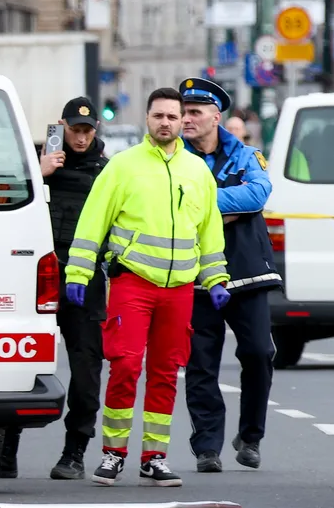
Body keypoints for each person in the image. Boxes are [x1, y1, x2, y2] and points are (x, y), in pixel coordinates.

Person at [66, 87, 230, 487]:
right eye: (159, 116)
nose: (166, 123)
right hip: (133, 282)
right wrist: (78, 272)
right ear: (148, 119)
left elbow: (209, 232)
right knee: (123, 366)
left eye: (173, 117)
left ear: (181, 122)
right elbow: (93, 222)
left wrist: (216, 277)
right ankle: (112, 453)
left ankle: (154, 456)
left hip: (179, 290)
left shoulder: (197, 172)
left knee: (165, 373)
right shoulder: (123, 166)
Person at [0, 98, 109, 480]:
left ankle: (74, 452)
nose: (80, 137)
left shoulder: (106, 173)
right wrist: (36, 173)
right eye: (74, 129)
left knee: (87, 369)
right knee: (18, 364)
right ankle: (4, 453)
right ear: (61, 125)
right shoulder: (33, 164)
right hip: (37, 275)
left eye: (87, 131)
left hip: (83, 280)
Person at [179, 78, 280, 472]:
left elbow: (257, 195)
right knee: (201, 363)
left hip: (247, 272)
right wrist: (222, 206)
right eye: (184, 112)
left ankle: (250, 436)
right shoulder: (176, 158)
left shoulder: (247, 155)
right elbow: (170, 198)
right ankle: (207, 446)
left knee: (258, 353)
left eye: (194, 113)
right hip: (197, 272)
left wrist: (200, 202)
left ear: (215, 117)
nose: (187, 119)